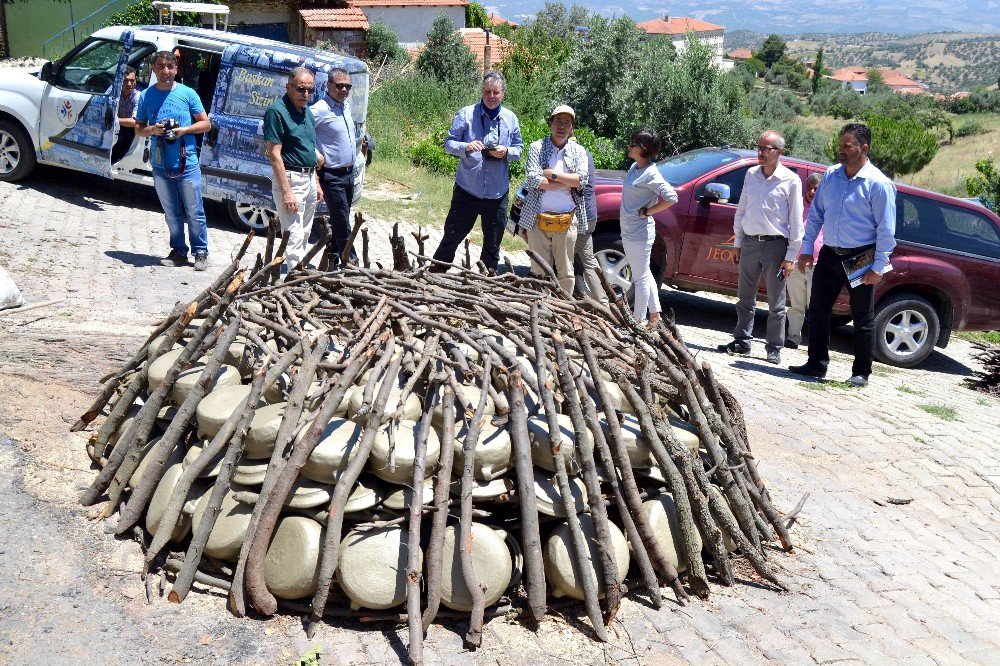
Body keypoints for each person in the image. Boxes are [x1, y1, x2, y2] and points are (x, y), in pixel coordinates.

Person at [790, 122, 896, 387]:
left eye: (847, 146)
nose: (841, 151)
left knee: (862, 316)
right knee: (818, 309)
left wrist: (879, 266)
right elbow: (816, 215)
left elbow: (886, 230)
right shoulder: (831, 176)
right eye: (840, 145)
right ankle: (816, 365)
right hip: (830, 254)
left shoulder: (878, 184)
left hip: (860, 257)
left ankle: (861, 372)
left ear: (864, 148)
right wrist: (806, 249)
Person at [718, 130, 803, 365]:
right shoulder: (751, 174)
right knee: (745, 297)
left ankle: (774, 346)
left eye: (767, 149)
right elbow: (742, 208)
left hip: (776, 246)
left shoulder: (791, 180)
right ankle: (742, 341)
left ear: (779, 152)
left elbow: (796, 221)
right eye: (759, 147)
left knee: (776, 302)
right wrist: (737, 242)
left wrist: (791, 256)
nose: (761, 153)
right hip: (750, 242)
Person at [430, 71, 523, 273]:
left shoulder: (510, 118)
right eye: (487, 91)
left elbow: (519, 150)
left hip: (497, 193)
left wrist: (506, 152)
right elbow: (448, 144)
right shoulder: (466, 114)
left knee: (492, 244)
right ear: (482, 91)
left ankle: (486, 283)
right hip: (467, 190)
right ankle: (435, 278)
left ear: (503, 94)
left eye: (495, 92)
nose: (491, 96)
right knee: (451, 237)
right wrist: (466, 146)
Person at [135, 51, 211, 270]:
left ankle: (201, 252)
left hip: (187, 163)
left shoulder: (188, 94)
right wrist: (152, 129)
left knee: (195, 211)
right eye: (160, 66)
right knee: (171, 213)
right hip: (160, 164)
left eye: (170, 66)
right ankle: (178, 251)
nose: (165, 71)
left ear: (176, 69)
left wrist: (184, 130)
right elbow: (139, 128)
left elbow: (205, 124)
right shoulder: (147, 96)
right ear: (154, 69)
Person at [517, 105, 589, 295]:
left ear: (572, 128)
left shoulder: (579, 151)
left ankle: (563, 310)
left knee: (566, 271)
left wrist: (552, 175)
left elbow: (582, 180)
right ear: (550, 123)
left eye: (567, 123)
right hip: (537, 218)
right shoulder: (536, 147)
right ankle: (540, 309)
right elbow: (532, 179)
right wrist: (566, 181)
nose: (562, 126)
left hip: (567, 220)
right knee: (538, 270)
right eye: (558, 121)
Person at [263, 66, 324, 273]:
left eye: (310, 90)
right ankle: (292, 278)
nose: (306, 94)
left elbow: (308, 147)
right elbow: (274, 154)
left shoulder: (307, 112)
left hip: (308, 178)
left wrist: (315, 181)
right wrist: (287, 191)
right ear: (288, 87)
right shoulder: (277, 111)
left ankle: (296, 272)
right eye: (300, 89)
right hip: (291, 178)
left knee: (305, 231)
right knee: (293, 232)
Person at [619, 129, 678, 326]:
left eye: (634, 143)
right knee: (644, 272)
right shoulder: (635, 167)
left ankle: (637, 321)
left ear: (644, 149)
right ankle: (655, 316)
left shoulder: (651, 173)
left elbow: (671, 197)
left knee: (640, 277)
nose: (630, 146)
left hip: (639, 233)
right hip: (629, 230)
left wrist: (648, 211)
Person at [312, 67, 358, 266]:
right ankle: (352, 262)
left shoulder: (344, 106)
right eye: (340, 85)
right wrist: (315, 155)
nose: (344, 89)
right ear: (329, 85)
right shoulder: (320, 109)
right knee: (342, 222)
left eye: (348, 86)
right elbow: (300, 133)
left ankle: (334, 259)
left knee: (341, 219)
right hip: (332, 175)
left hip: (348, 174)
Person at [785, 172, 824, 349]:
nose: (812, 191)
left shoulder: (829, 208)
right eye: (809, 187)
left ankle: (815, 344)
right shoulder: (796, 205)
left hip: (818, 265)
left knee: (816, 306)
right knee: (796, 304)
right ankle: (793, 337)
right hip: (795, 263)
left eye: (816, 188)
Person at [574, 143, 608, 303]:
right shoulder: (584, 151)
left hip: (582, 216)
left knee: (583, 259)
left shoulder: (578, 153)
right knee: (586, 258)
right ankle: (603, 302)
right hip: (588, 214)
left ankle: (603, 302)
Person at [111, 66, 139, 164]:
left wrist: (114, 120)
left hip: (128, 130)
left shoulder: (138, 97)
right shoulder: (115, 92)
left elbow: (134, 122)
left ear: (136, 80)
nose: (129, 84)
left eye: (132, 80)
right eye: (125, 81)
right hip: (115, 126)